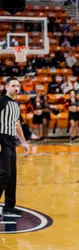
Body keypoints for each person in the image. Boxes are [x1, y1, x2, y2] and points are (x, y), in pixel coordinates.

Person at [0, 77, 30, 217]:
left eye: (18, 85)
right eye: (13, 85)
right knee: (4, 173)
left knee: (12, 175)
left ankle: (9, 207)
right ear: (6, 87)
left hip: (12, 141)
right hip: (2, 139)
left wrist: (24, 142)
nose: (16, 88)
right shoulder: (1, 101)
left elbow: (17, 125)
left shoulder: (16, 105)